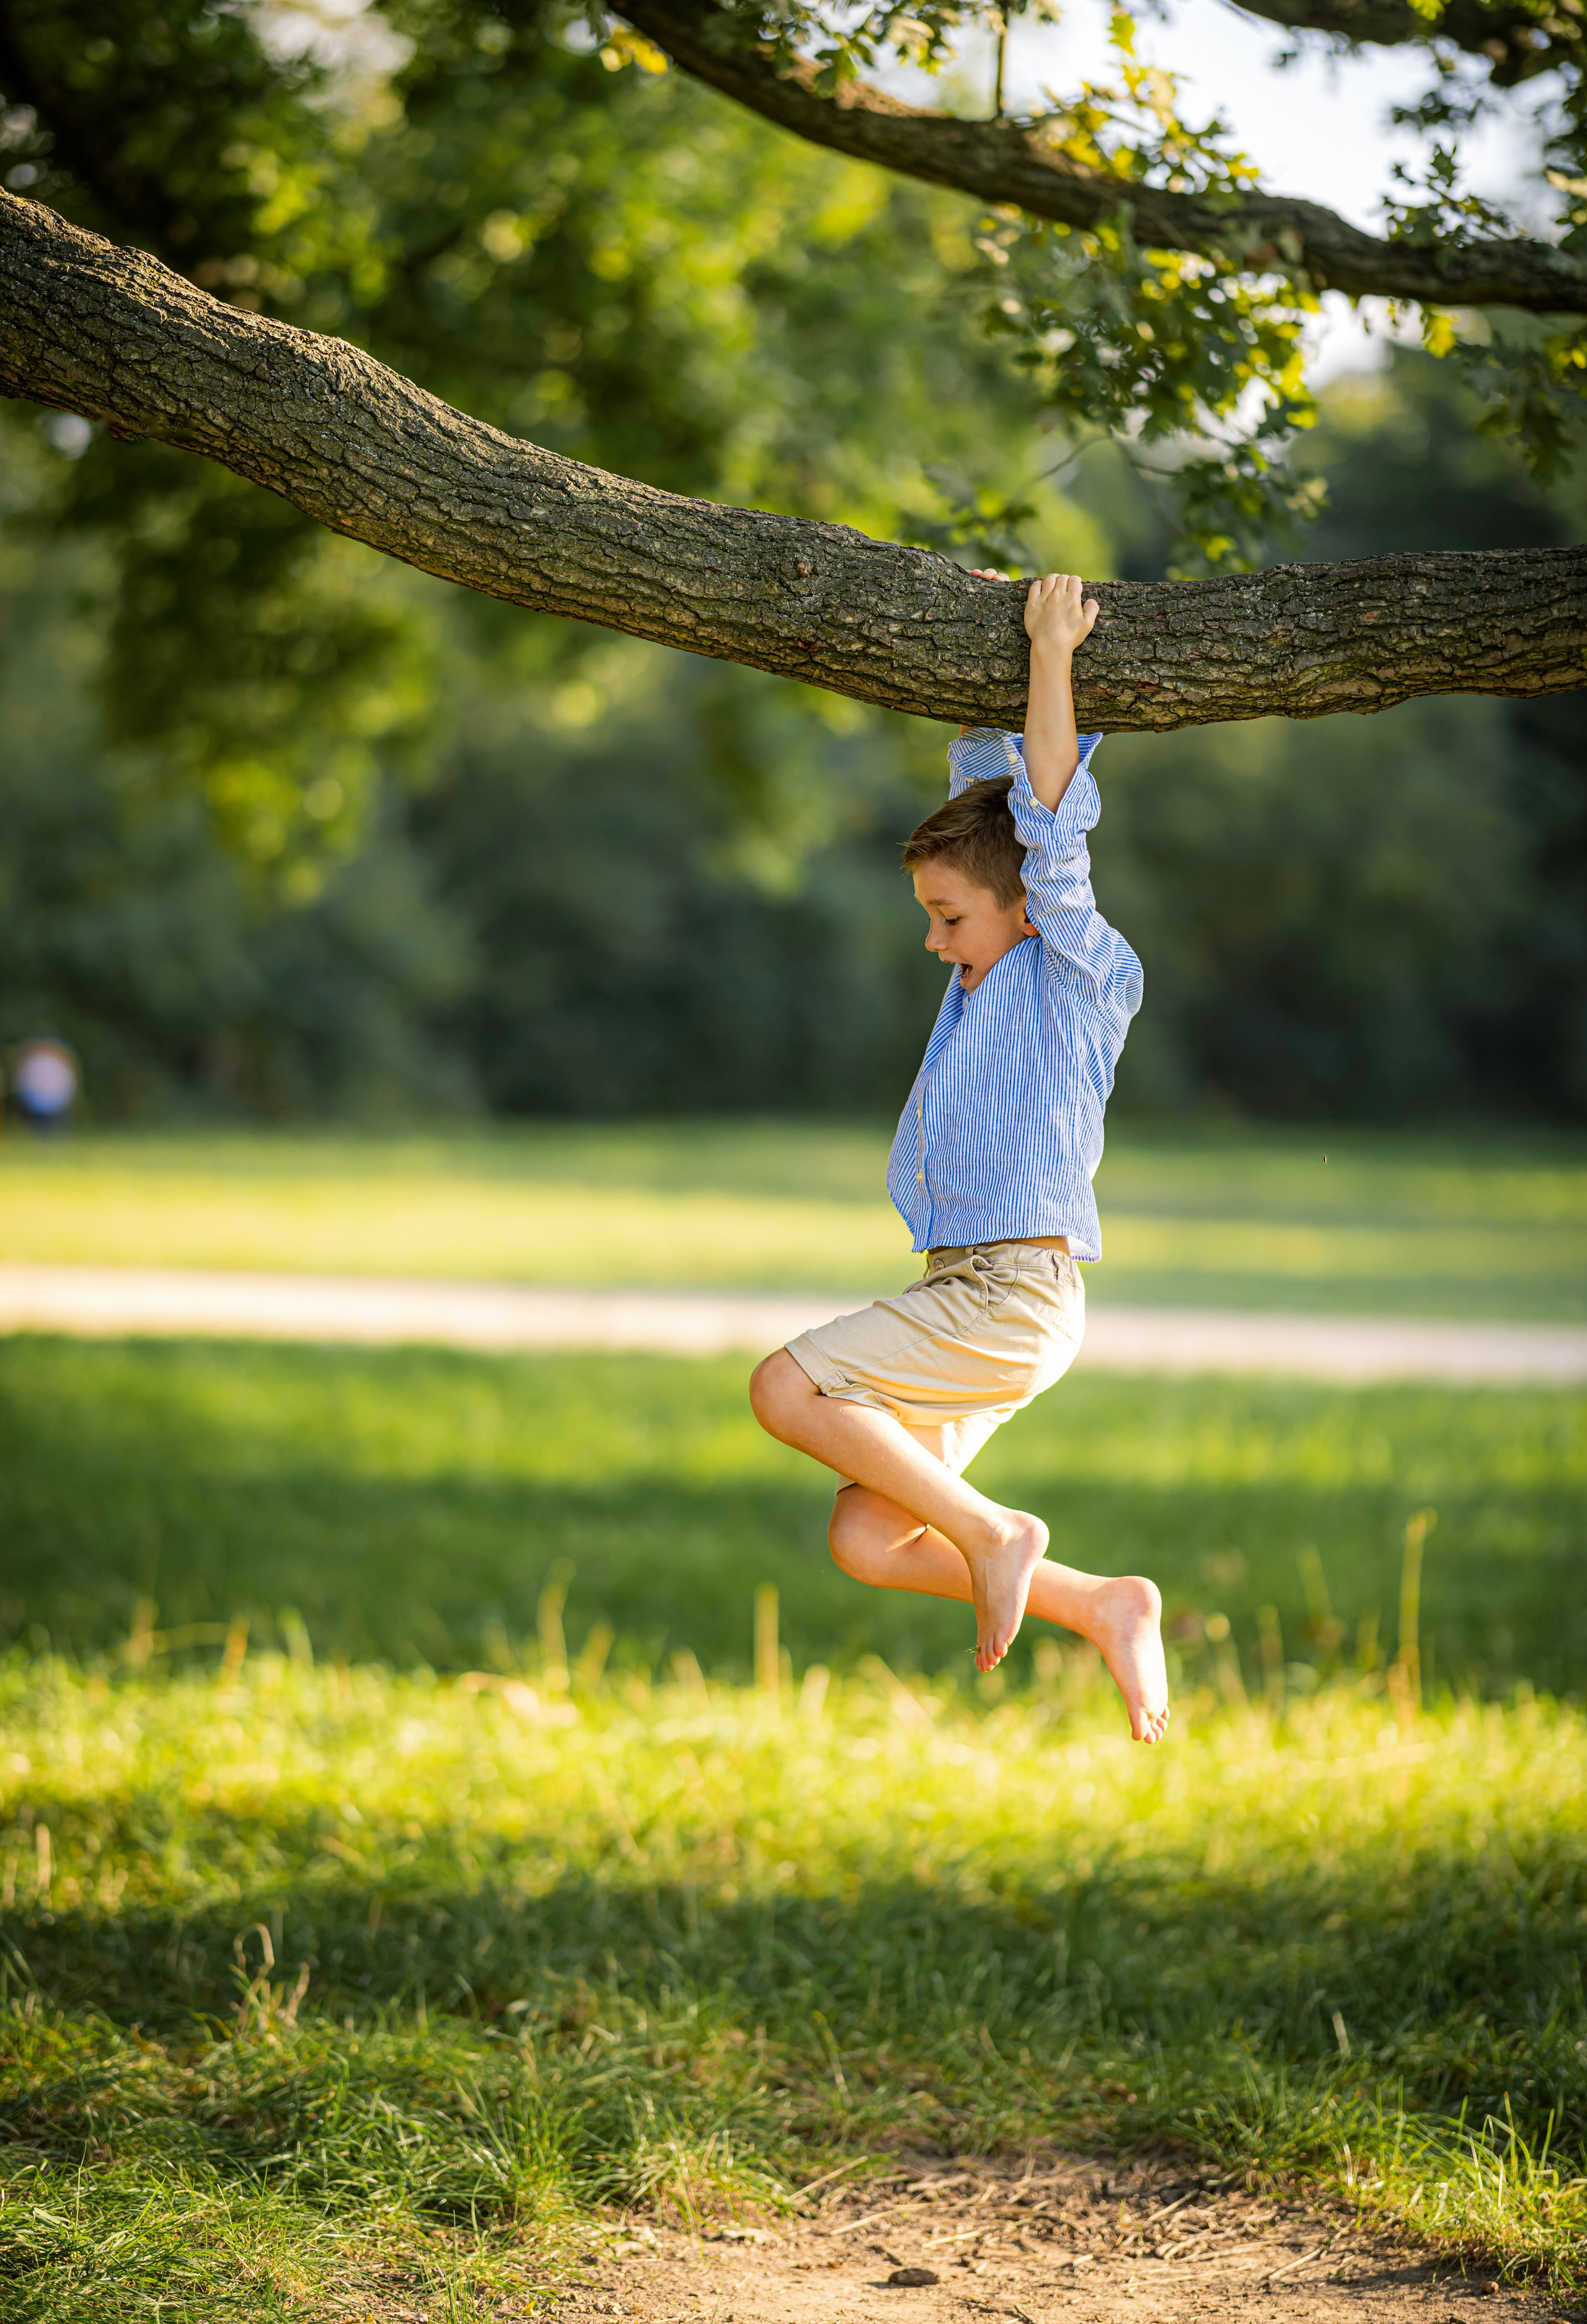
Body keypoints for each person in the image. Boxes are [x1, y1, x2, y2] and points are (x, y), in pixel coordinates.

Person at [749, 571, 1169, 1744]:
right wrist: (992, 640)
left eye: (950, 918)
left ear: (1029, 905)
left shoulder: (1071, 972)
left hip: (1012, 1290)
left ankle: (995, 1533)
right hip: (972, 1291)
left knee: (784, 1387)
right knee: (867, 1536)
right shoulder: (992, 966)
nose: (936, 942)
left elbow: (1047, 820)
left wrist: (1052, 651)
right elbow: (990, 792)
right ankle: (1102, 1603)